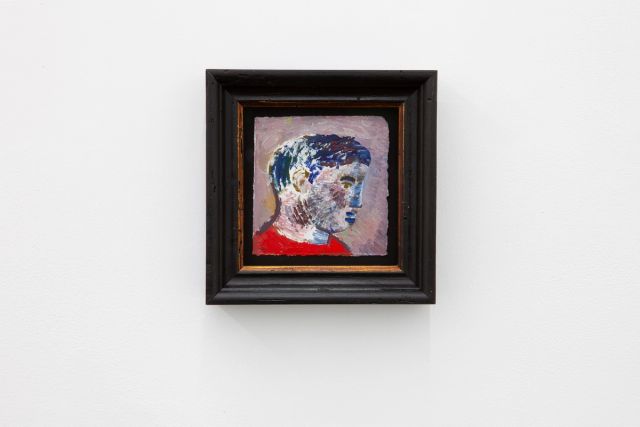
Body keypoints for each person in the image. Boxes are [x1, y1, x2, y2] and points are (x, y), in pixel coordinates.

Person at [253, 134, 371, 256]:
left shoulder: (341, 253)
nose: (357, 202)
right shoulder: (261, 252)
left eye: (359, 186)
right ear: (300, 182)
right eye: (346, 184)